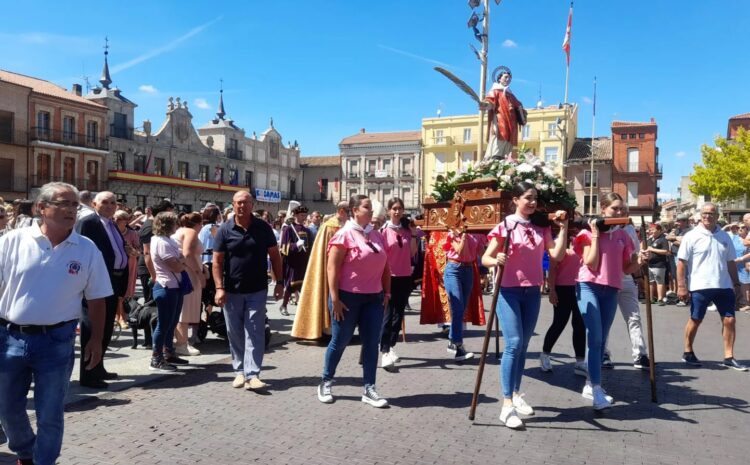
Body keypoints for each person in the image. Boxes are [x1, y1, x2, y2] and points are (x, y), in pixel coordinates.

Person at [0, 182, 112, 465]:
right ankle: (26, 450)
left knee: (50, 413)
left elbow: (98, 299)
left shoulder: (86, 250)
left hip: (57, 341)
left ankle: (43, 461)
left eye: (74, 204)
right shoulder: (12, 241)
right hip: (9, 338)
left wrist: (96, 340)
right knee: (7, 408)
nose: (71, 210)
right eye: (63, 203)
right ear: (41, 208)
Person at [482, 181, 567, 428]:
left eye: (535, 198)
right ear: (516, 199)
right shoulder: (506, 225)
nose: (532, 202)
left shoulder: (541, 227)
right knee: (514, 344)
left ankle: (517, 394)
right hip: (507, 290)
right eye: (528, 197)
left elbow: (557, 255)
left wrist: (563, 228)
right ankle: (506, 405)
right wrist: (495, 258)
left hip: (531, 291)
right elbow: (485, 257)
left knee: (524, 344)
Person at [317, 195, 391, 407]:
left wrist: (387, 293)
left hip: (373, 298)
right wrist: (335, 299)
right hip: (347, 298)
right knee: (340, 341)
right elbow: (332, 268)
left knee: (371, 344)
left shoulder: (376, 235)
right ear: (354, 210)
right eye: (367, 207)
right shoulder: (344, 235)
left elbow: (386, 267)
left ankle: (369, 388)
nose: (371, 210)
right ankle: (326, 381)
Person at [213, 191, 284, 390]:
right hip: (232, 290)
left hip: (257, 289)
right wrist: (219, 288)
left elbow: (275, 256)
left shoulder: (263, 228)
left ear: (252, 204)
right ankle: (238, 372)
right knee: (234, 331)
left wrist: (280, 282)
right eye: (237, 203)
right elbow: (217, 261)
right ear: (233, 205)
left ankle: (253, 374)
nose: (241, 206)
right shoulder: (225, 230)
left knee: (254, 330)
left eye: (245, 202)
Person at [574, 193, 638, 410]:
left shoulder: (623, 235)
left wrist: (640, 260)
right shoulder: (585, 233)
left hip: (611, 288)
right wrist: (594, 235)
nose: (619, 213)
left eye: (622, 209)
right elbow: (591, 264)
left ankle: (590, 384)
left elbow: (627, 269)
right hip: (588, 285)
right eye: (614, 209)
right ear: (603, 209)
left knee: (601, 341)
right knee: (595, 336)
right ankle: (597, 389)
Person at [677, 203, 747, 371]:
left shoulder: (725, 236)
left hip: (724, 286)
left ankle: (729, 356)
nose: (708, 216)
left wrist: (736, 284)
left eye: (711, 213)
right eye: (705, 213)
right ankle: (688, 352)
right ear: (700, 215)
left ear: (717, 216)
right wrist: (681, 286)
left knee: (730, 320)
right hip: (700, 285)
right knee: (696, 319)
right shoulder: (691, 236)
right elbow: (681, 263)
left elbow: (730, 262)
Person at [75, 191, 129, 389]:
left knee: (106, 327)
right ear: (94, 204)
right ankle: (89, 374)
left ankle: (99, 366)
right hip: (95, 282)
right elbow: (79, 250)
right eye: (104, 202)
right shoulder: (89, 222)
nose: (109, 205)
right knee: (92, 327)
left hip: (113, 282)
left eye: (113, 202)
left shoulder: (112, 223)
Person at [292, 201, 349, 340]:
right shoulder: (329, 227)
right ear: (342, 211)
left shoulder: (343, 226)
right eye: (350, 211)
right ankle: (326, 329)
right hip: (329, 268)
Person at [540, 235, 586, 376]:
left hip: (580, 288)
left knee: (579, 325)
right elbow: (552, 270)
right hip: (563, 289)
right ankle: (545, 354)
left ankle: (579, 361)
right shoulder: (562, 247)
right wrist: (552, 290)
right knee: (559, 323)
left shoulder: (585, 247)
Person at [379, 197, 416, 370]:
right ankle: (384, 350)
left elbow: (412, 252)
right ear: (388, 211)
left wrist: (414, 234)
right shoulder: (384, 231)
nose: (397, 211)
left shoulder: (407, 230)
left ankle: (391, 346)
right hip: (389, 276)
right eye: (394, 208)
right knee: (387, 314)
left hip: (404, 276)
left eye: (400, 208)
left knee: (398, 314)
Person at [149, 211, 189, 372]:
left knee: (171, 323)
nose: (177, 225)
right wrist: (182, 262)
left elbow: (181, 258)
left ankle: (168, 353)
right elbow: (177, 264)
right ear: (167, 225)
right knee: (164, 324)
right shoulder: (161, 242)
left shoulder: (168, 240)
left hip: (174, 285)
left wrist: (182, 261)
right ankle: (156, 358)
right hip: (166, 286)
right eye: (175, 222)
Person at [172, 212, 206, 356]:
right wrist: (200, 274)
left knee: (181, 308)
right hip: (189, 273)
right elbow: (188, 254)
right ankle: (182, 344)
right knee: (185, 310)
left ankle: (178, 340)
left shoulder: (178, 231)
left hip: (181, 271)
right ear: (199, 224)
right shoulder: (191, 232)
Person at [481, 66, 526, 160]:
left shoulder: (511, 94)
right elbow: (490, 102)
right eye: (505, 77)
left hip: (512, 122)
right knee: (500, 135)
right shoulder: (496, 91)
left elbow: (519, 106)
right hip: (500, 119)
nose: (508, 79)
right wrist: (485, 105)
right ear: (499, 78)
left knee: (508, 140)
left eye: (509, 78)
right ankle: (495, 157)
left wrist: (521, 110)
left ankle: (505, 158)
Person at [138, 200, 174, 303]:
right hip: (149, 270)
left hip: (155, 269)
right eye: (171, 212)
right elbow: (147, 253)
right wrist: (154, 276)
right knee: (152, 304)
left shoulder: (155, 225)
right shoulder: (150, 227)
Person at [279, 205, 312, 316]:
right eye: (302, 215)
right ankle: (283, 305)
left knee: (304, 285)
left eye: (305, 215)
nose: (304, 217)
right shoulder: (288, 229)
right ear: (296, 215)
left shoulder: (307, 230)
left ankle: (304, 308)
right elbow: (283, 246)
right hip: (293, 261)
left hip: (304, 261)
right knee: (290, 284)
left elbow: (311, 246)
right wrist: (295, 245)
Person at [114, 209, 141, 327]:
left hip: (130, 264)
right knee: (117, 292)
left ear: (125, 221)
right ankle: (118, 317)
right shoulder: (112, 232)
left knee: (125, 292)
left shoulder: (132, 233)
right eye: (115, 218)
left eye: (119, 219)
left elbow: (139, 250)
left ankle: (122, 316)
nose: (116, 221)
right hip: (115, 264)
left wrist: (132, 250)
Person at [666, 214, 692, 306]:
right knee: (677, 276)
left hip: (685, 256)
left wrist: (674, 240)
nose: (677, 223)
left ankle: (686, 297)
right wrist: (676, 239)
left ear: (685, 221)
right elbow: (668, 237)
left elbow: (685, 243)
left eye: (679, 221)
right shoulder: (676, 230)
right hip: (675, 254)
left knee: (686, 276)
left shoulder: (690, 231)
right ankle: (681, 296)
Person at [647, 223, 670, 306]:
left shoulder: (663, 239)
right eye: (650, 230)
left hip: (659, 264)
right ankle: (651, 298)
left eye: (653, 230)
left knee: (659, 281)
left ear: (659, 230)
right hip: (650, 264)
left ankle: (660, 299)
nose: (651, 231)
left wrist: (653, 249)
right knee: (650, 282)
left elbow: (666, 251)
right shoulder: (650, 239)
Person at [733, 224, 750, 312]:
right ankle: (741, 301)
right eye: (738, 227)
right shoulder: (734, 238)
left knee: (745, 285)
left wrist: (743, 260)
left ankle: (748, 304)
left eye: (742, 227)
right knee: (737, 284)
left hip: (745, 264)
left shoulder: (748, 239)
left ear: (747, 229)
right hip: (735, 264)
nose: (740, 229)